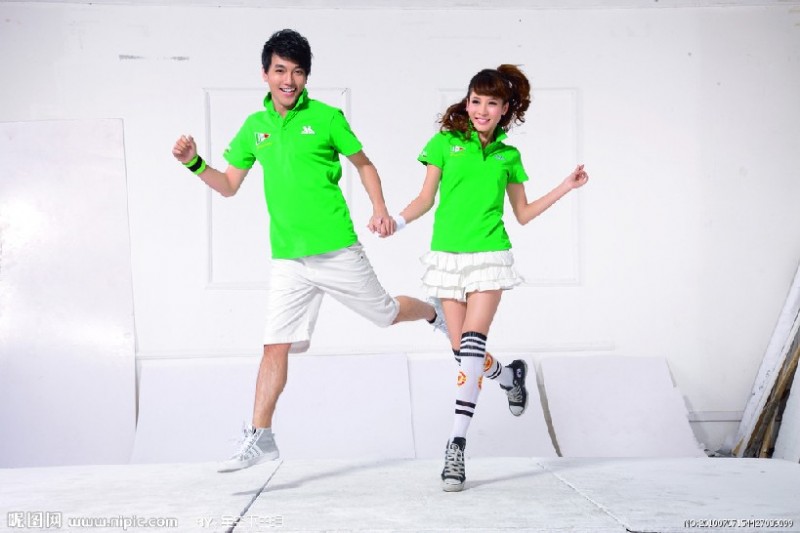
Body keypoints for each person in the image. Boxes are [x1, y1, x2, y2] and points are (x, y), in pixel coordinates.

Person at [171, 29, 447, 473]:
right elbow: (228, 185)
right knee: (273, 345)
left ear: (305, 77)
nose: (289, 80)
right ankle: (261, 436)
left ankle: (434, 312)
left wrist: (379, 209)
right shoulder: (254, 128)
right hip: (288, 258)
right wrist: (193, 163)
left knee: (386, 314)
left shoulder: (326, 117)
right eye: (280, 70)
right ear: (265, 74)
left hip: (336, 249)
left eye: (297, 72)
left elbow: (364, 165)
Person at [393, 64, 589, 491]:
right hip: (447, 258)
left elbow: (523, 214)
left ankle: (456, 445)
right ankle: (508, 376)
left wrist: (565, 186)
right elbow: (425, 198)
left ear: (505, 110)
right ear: (467, 103)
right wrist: (397, 221)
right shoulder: (444, 143)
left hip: (489, 257)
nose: (482, 109)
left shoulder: (508, 157)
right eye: (476, 101)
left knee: (470, 347)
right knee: (462, 352)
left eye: (492, 103)